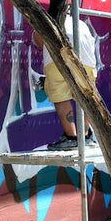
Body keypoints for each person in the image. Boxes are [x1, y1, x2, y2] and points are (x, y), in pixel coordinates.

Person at [34, 12, 99, 150]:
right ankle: (86, 136)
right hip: (88, 62)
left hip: (58, 60)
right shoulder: (81, 24)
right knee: (87, 97)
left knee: (61, 97)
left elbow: (39, 40)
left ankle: (71, 137)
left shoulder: (47, 22)